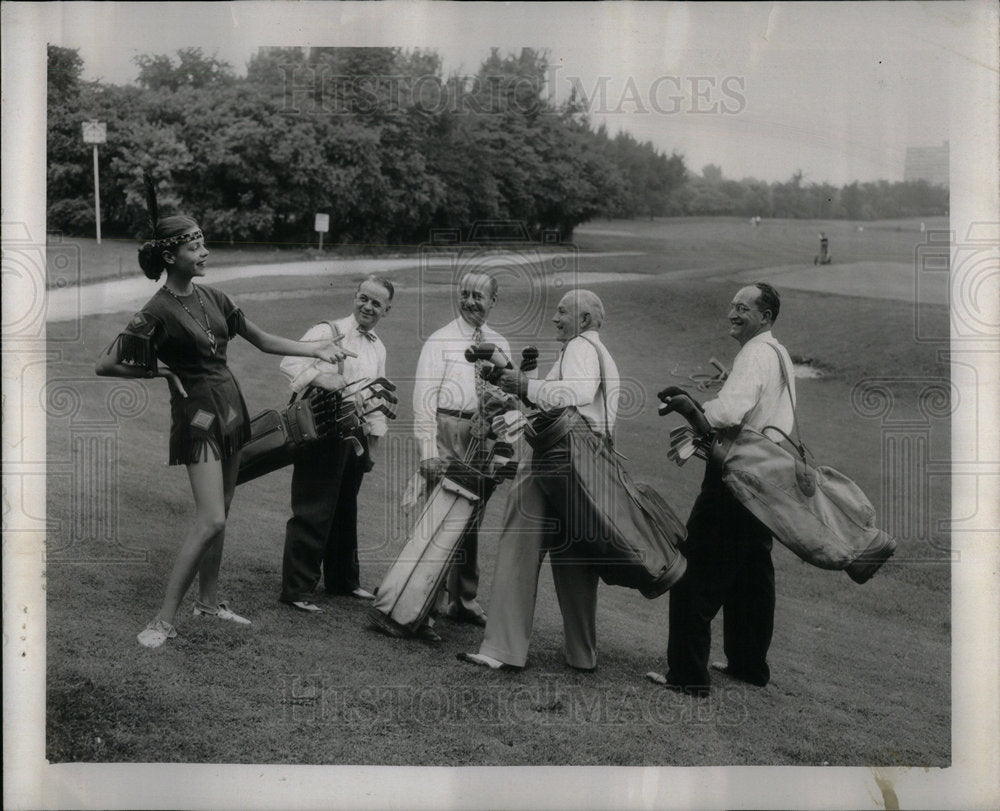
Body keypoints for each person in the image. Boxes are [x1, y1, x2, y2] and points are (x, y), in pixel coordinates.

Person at [96, 209, 351, 649]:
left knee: (224, 510)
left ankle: (209, 602)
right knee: (211, 517)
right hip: (197, 418)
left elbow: (265, 340)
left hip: (231, 408)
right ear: (171, 256)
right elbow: (106, 364)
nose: (204, 251)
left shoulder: (214, 296)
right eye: (194, 246)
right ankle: (162, 620)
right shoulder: (155, 311)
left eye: (202, 243)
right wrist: (159, 372)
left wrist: (317, 349)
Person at [459, 289, 621, 672]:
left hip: (557, 457)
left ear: (583, 321)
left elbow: (574, 395)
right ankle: (582, 654)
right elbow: (552, 400)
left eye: (562, 312)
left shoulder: (580, 347)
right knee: (576, 555)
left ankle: (502, 649)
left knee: (520, 541)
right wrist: (519, 381)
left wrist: (525, 386)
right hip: (591, 464)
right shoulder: (600, 353)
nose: (555, 318)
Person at [654, 282, 794, 695]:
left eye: (744, 308)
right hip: (768, 473)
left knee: (694, 567)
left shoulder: (755, 354)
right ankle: (749, 665)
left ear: (765, 317)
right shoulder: (777, 352)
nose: (733, 313)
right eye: (732, 306)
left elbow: (729, 411)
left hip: (736, 472)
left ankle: (688, 675)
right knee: (752, 572)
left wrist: (691, 407)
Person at [278, 276, 394, 613]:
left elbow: (376, 399)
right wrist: (322, 377)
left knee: (345, 508)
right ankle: (297, 588)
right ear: (355, 297)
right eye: (363, 298)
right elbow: (289, 361)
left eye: (376, 303)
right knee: (313, 507)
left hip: (354, 436)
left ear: (386, 310)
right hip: (321, 429)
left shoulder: (378, 346)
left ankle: (343, 581)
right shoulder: (328, 331)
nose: (367, 307)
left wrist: (373, 445)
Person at [410, 271, 511, 628]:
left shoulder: (500, 345)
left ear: (493, 301)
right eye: (465, 294)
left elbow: (508, 400)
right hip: (447, 432)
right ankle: (424, 597)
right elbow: (424, 400)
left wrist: (502, 447)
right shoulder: (440, 340)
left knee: (472, 520)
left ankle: (462, 600)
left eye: (478, 296)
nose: (470, 301)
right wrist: (428, 453)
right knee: (438, 519)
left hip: (482, 436)